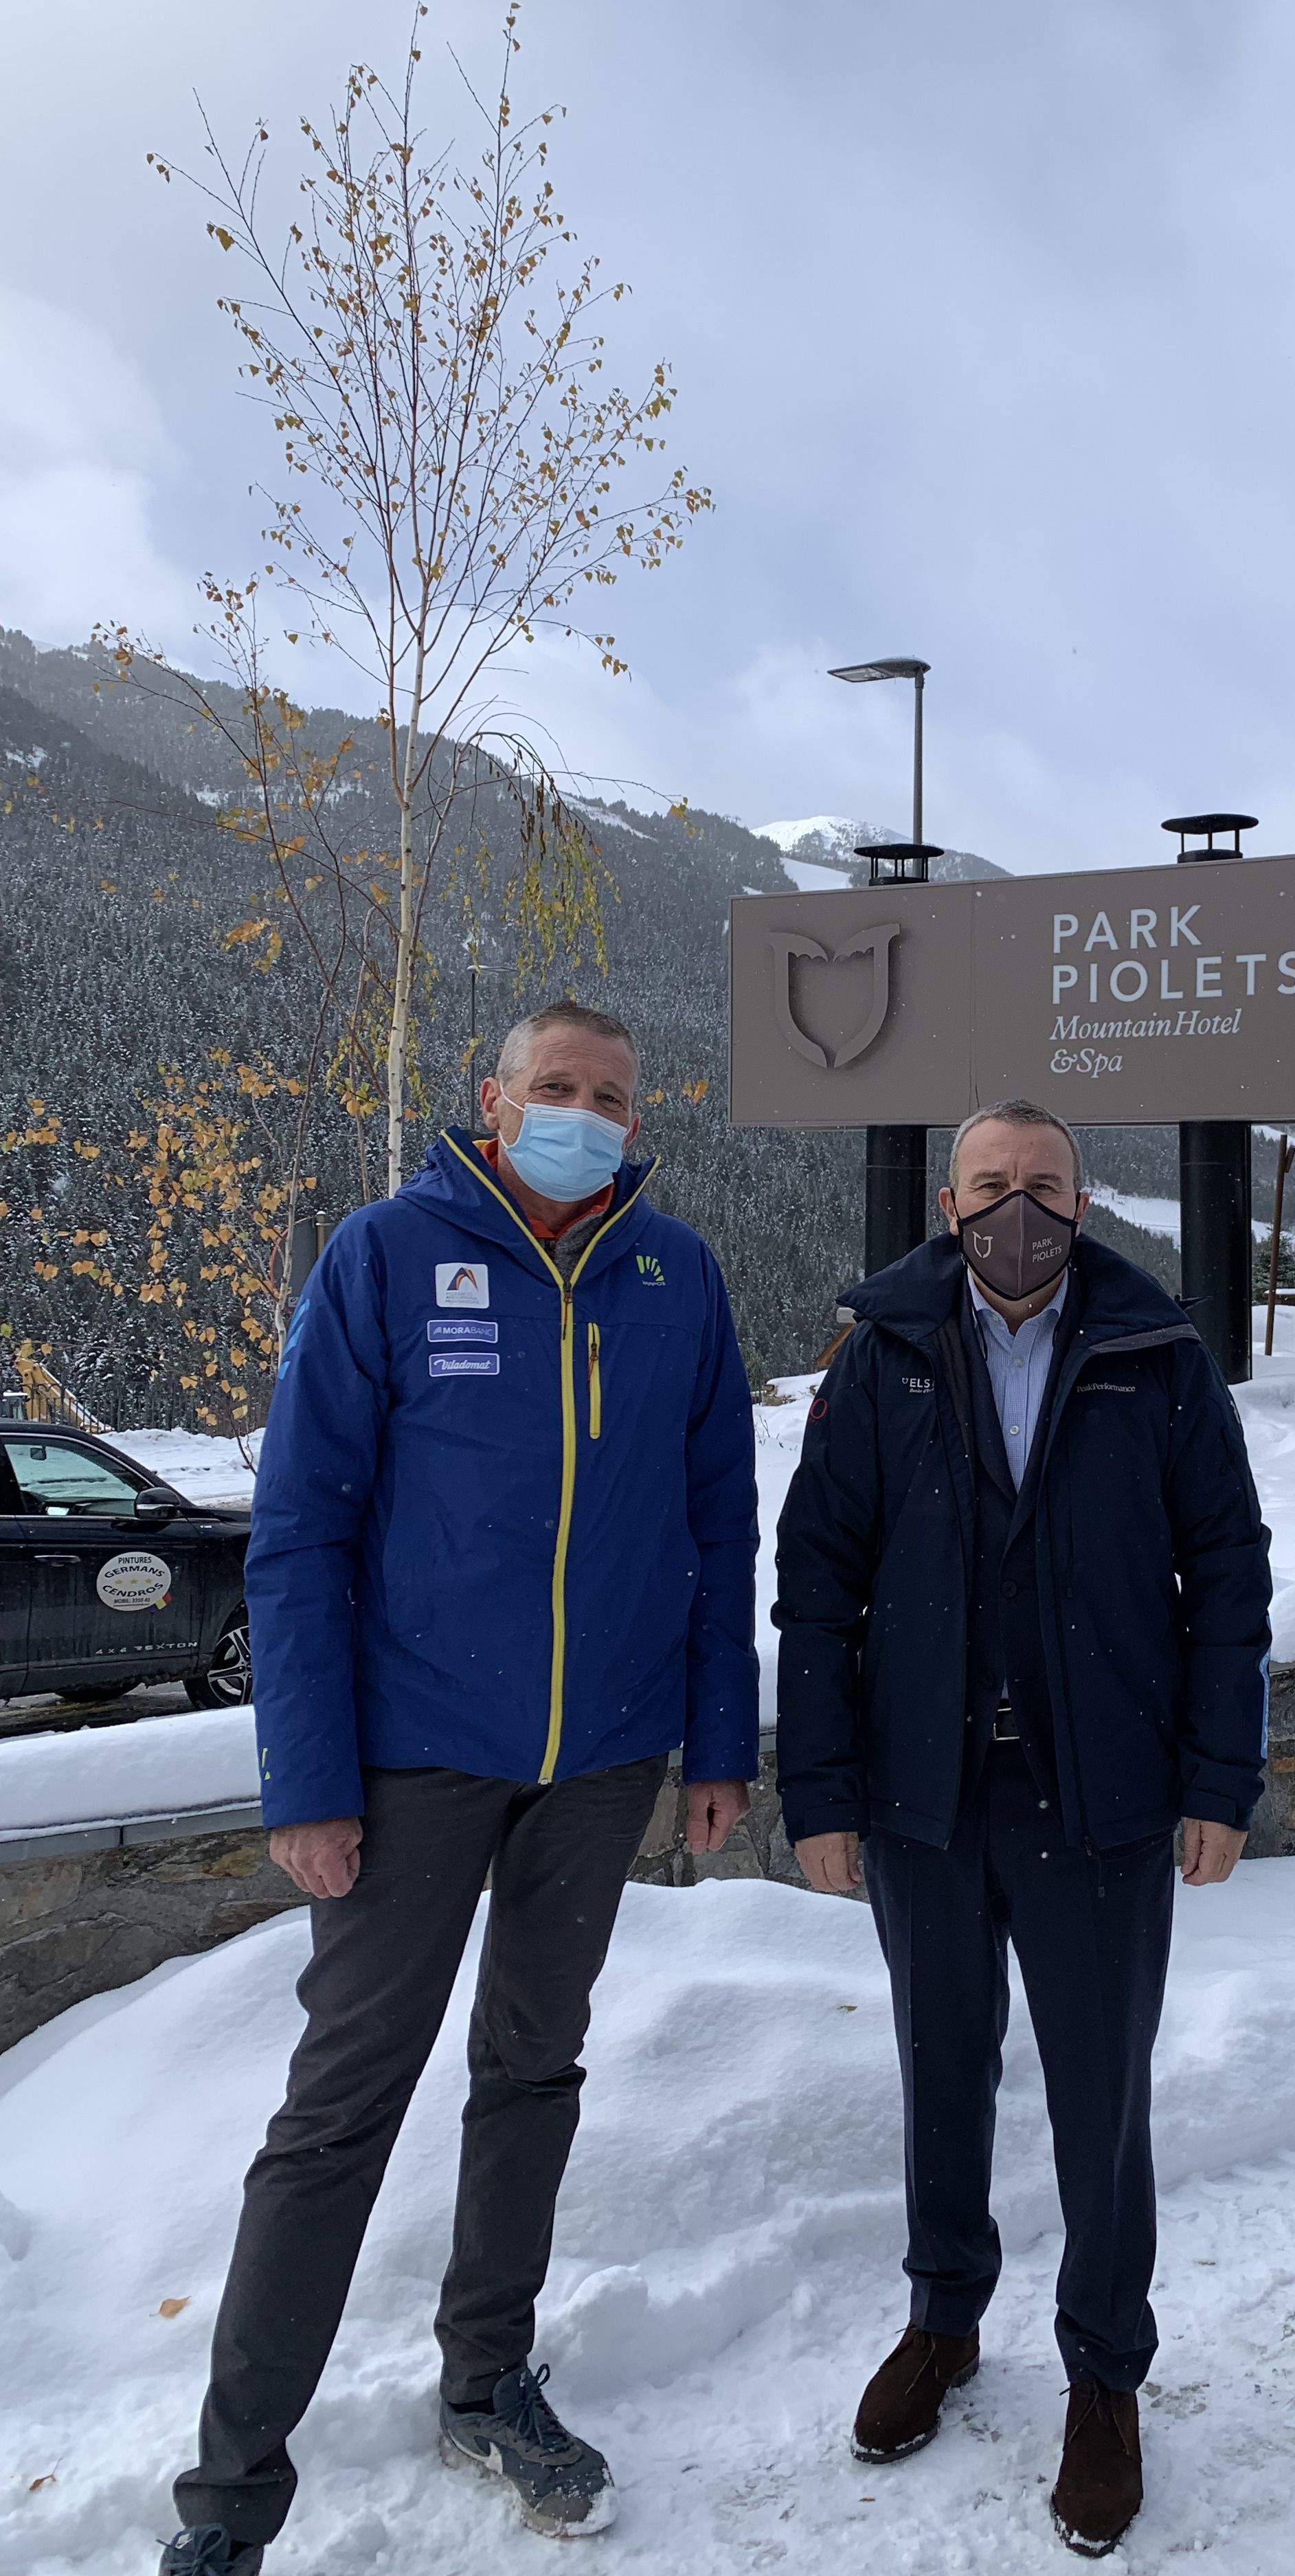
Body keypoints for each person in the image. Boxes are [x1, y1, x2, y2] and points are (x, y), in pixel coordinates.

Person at [159, 1003, 759, 2576]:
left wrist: (720, 1741)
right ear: (492, 1101)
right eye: (553, 1088)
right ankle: (231, 2496)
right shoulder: (386, 1254)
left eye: (609, 1096)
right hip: (411, 1756)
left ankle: (490, 2380)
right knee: (340, 2109)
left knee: (534, 2072)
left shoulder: (673, 1279)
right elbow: (296, 1533)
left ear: (640, 1118)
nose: (581, 1113)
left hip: (601, 1755)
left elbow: (719, 1527)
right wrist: (306, 1775)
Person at [775, 1099, 1272, 2557]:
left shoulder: (1160, 1358)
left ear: (1085, 1199)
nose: (1018, 1209)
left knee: (1098, 2101)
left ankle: (1106, 2375)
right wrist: (821, 1791)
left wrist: (1215, 1780)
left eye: (1043, 1185)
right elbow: (818, 1578)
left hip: (1101, 1798)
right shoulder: (880, 1359)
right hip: (923, 1797)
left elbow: (1229, 1576)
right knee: (940, 2072)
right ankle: (945, 2319)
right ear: (948, 1199)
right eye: (992, 1184)